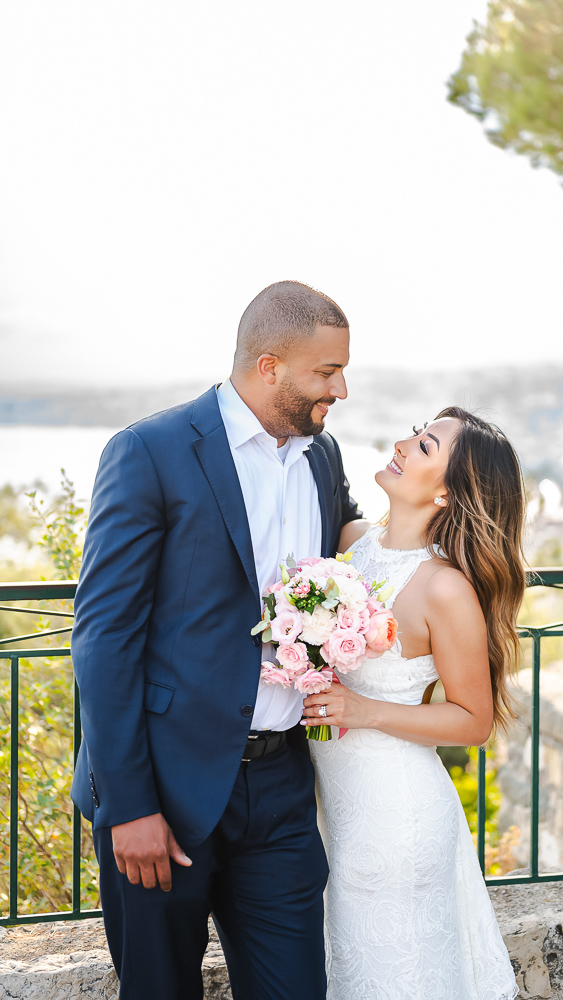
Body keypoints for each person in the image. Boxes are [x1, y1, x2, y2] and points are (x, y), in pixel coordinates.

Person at [70, 280, 362, 1000]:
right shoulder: (151, 449)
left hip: (281, 788)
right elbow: (103, 638)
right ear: (269, 367)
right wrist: (129, 806)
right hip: (162, 793)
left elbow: (358, 544)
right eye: (326, 372)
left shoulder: (321, 458)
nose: (342, 389)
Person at [304, 408, 524, 1000]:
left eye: (424, 445)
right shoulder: (352, 547)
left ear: (448, 491)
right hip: (333, 812)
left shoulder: (443, 588)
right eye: (414, 432)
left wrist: (361, 711)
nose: (402, 443)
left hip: (396, 819)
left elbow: (473, 720)